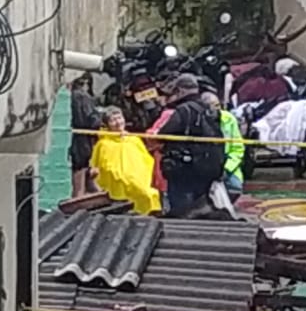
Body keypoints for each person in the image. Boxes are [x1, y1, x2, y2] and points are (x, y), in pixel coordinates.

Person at [158, 74, 223, 217]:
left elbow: (163, 134)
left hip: (184, 169)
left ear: (180, 90)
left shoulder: (184, 110)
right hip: (208, 166)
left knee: (181, 211)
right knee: (201, 207)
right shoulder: (209, 109)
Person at [90, 106, 161, 214]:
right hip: (117, 189)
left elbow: (147, 162)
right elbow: (100, 168)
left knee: (149, 195)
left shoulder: (134, 140)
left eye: (119, 118)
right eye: (113, 120)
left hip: (138, 183)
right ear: (107, 124)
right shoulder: (104, 144)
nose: (118, 122)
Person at [201, 89, 244, 198]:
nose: (218, 108)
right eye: (214, 106)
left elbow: (238, 148)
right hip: (206, 164)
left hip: (227, 163)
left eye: (218, 105)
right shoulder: (199, 120)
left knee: (235, 188)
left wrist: (227, 168)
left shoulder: (228, 118)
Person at [68, 75, 100, 198]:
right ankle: (79, 197)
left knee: (81, 167)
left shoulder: (71, 96)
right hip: (83, 138)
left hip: (76, 136)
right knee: (81, 166)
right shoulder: (83, 97)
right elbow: (92, 120)